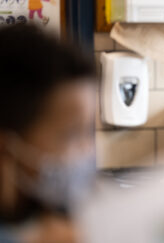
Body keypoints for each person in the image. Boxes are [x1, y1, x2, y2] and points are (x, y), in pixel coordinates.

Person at [0, 24, 96, 243]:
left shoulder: (46, 209)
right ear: (5, 143)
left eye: (88, 131)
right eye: (70, 135)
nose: (87, 150)